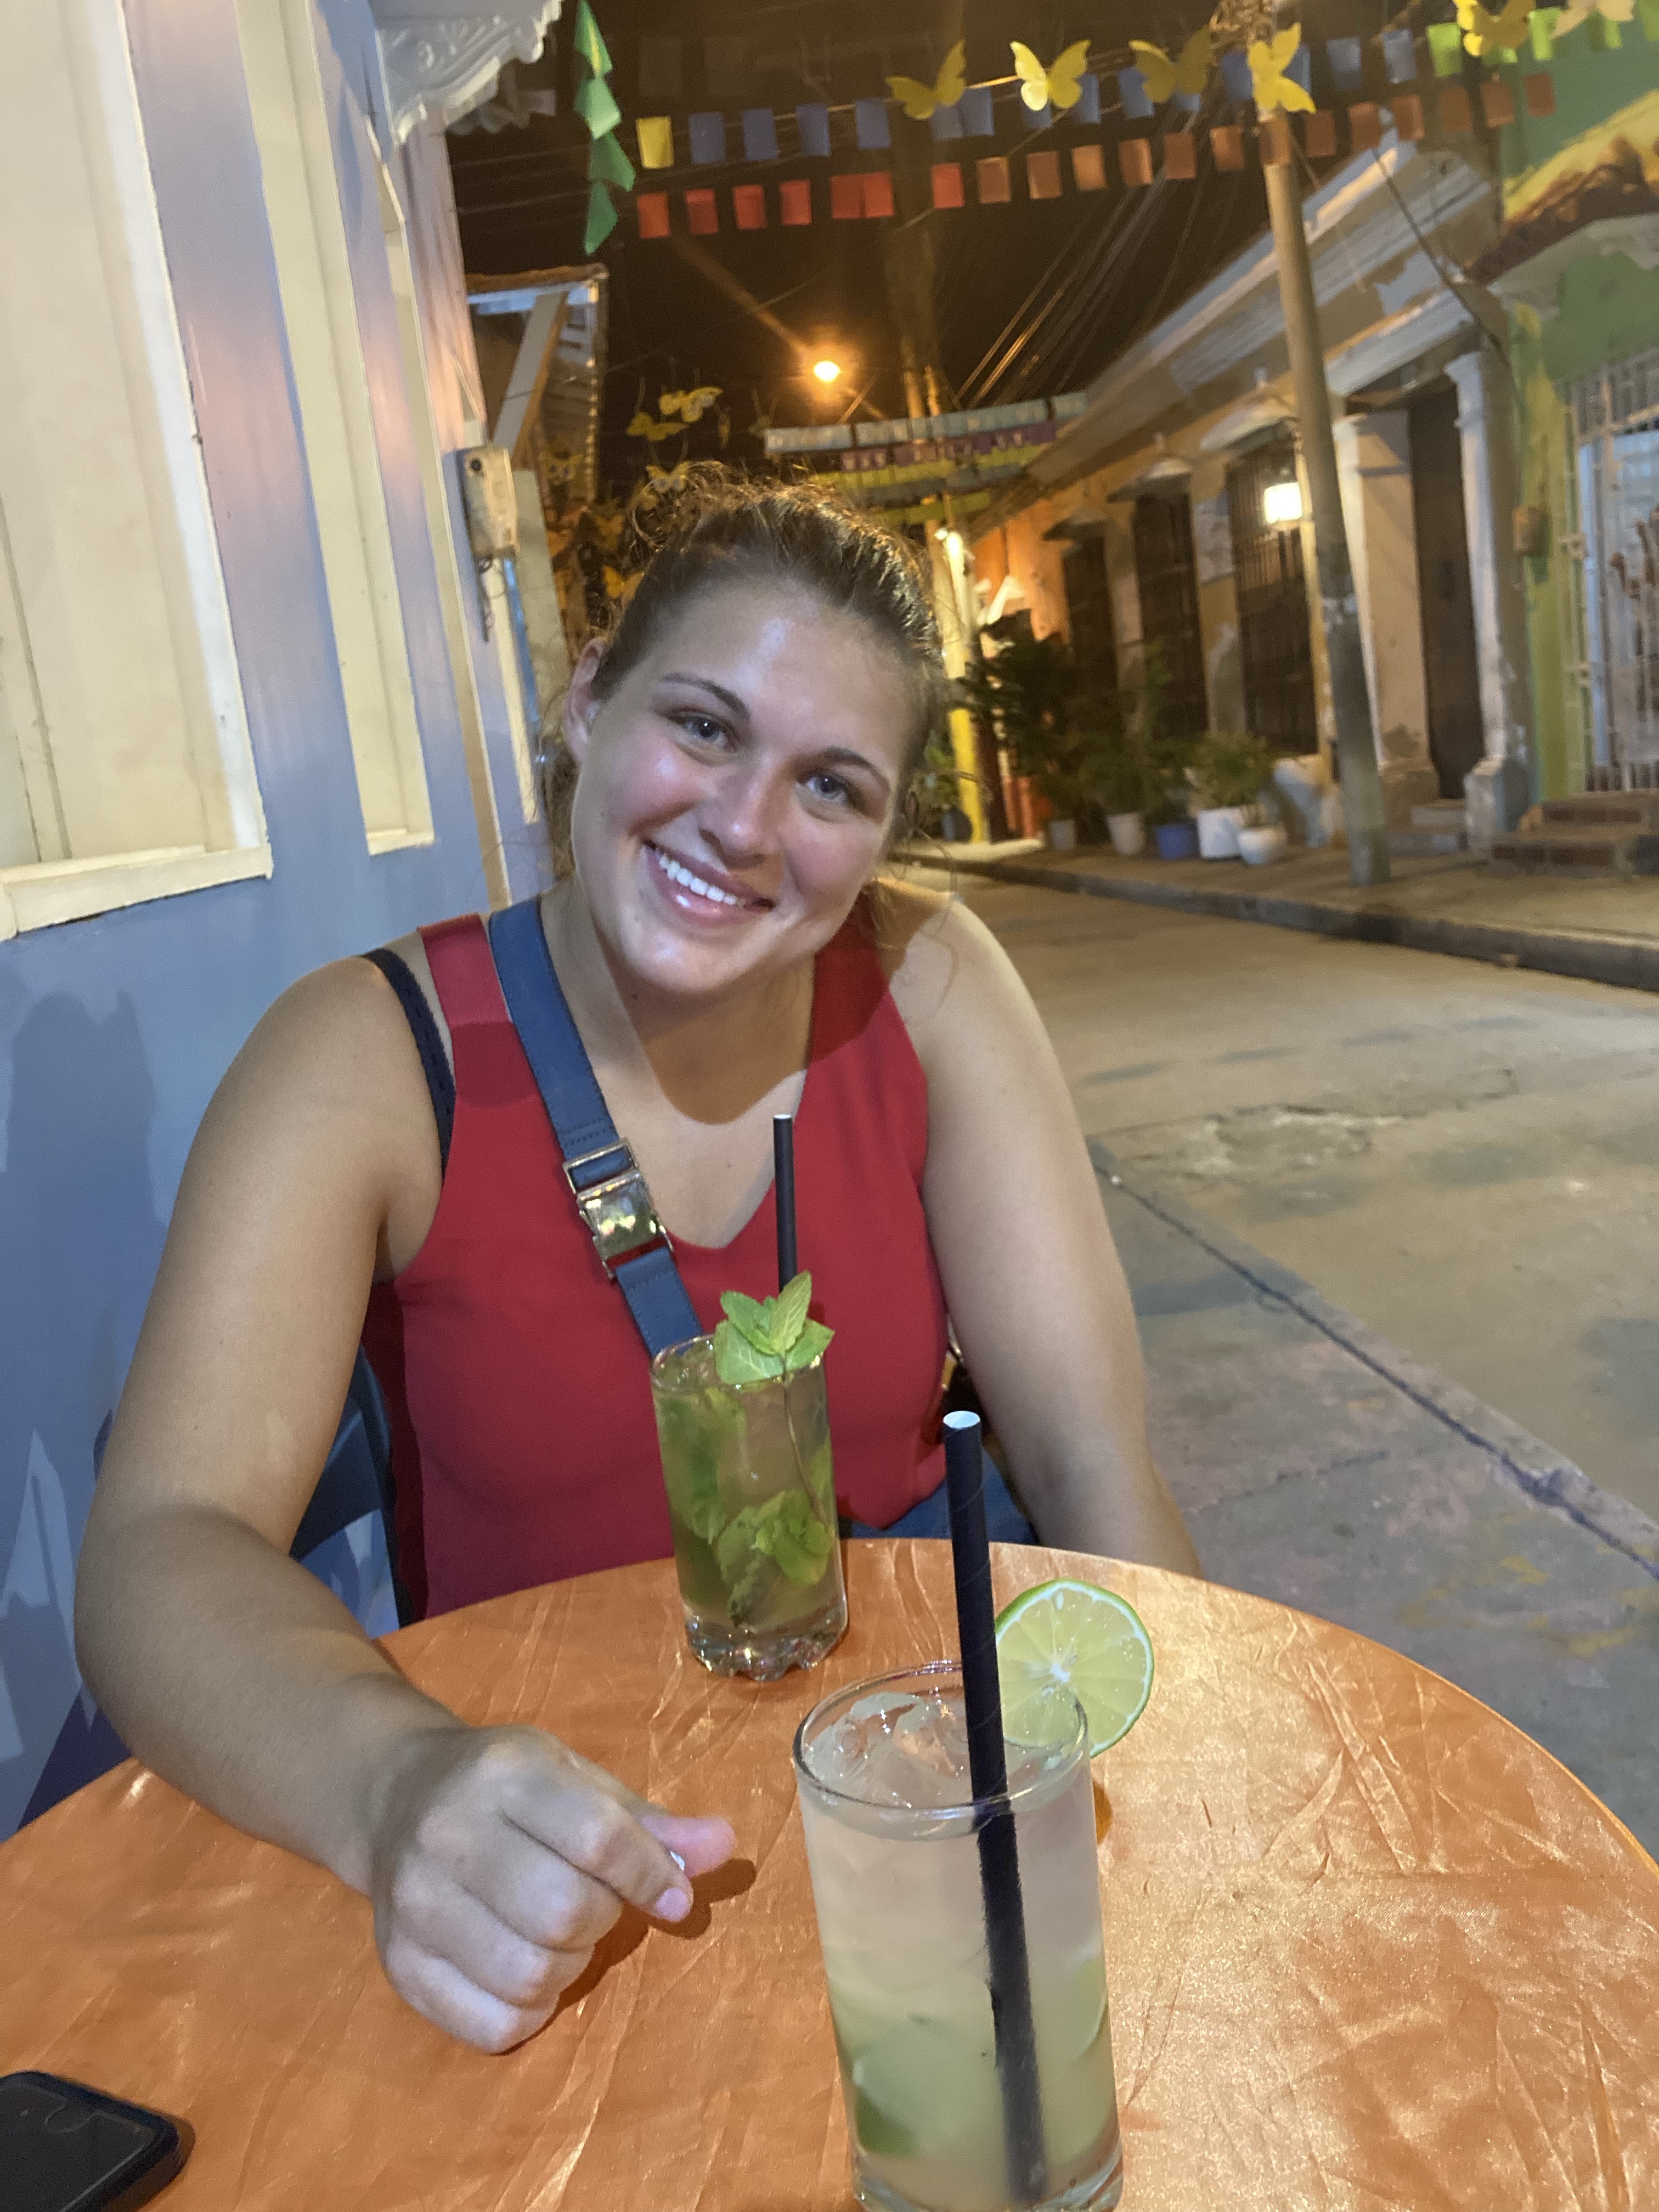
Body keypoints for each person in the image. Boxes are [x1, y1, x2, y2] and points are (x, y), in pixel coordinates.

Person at [76, 469, 1198, 2057]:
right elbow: (159, 1546)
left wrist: (1187, 1792)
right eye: (706, 725)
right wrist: (395, 1787)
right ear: (588, 699)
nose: (744, 826)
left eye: (832, 786)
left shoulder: (929, 986)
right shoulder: (370, 1054)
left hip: (914, 1821)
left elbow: (1091, 1459)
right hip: (559, 1877)